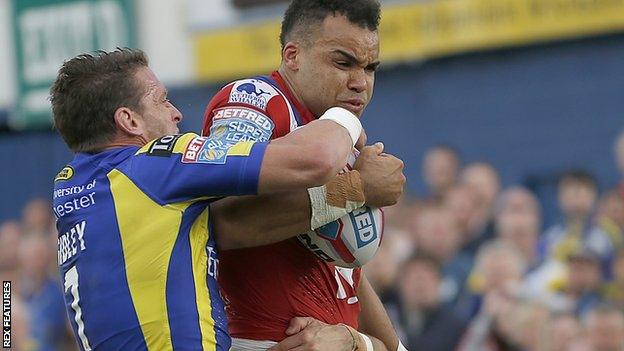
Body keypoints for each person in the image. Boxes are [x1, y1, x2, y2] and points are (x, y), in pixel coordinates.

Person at [50, 48, 403, 350]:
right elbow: (316, 159)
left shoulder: (71, 187)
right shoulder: (154, 163)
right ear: (129, 120)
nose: (176, 113)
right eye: (162, 100)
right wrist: (346, 117)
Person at [201, 1, 406, 350]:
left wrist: (359, 343)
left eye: (370, 68)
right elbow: (223, 224)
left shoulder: (335, 133)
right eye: (343, 63)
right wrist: (355, 189)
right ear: (293, 56)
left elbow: (347, 276)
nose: (360, 83)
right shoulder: (255, 101)